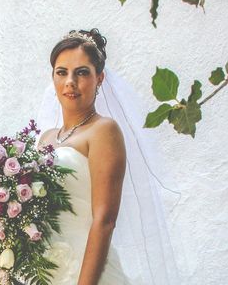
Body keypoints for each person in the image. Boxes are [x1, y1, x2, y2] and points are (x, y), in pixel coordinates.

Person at [37, 29, 179, 285]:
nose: (70, 81)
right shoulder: (46, 138)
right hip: (44, 269)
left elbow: (105, 220)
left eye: (82, 72)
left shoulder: (104, 131)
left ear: (99, 78)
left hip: (87, 271)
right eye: (62, 72)